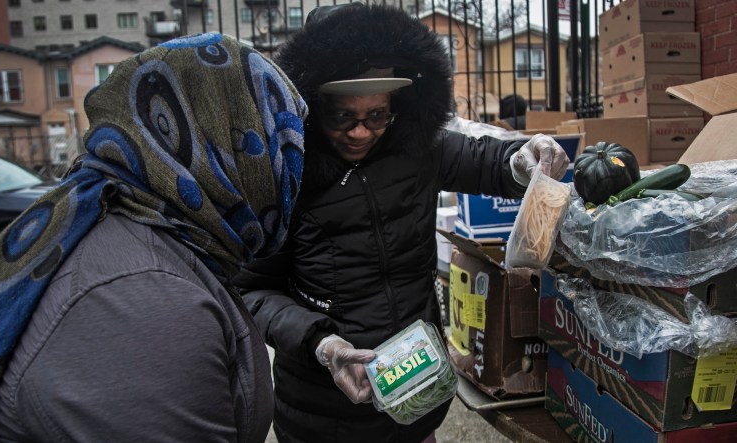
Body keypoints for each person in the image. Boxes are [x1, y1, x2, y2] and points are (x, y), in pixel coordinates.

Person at [233, 3, 569, 443]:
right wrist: (324, 345)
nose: (360, 132)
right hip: (323, 411)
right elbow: (252, 291)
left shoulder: (417, 146)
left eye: (377, 115)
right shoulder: (284, 177)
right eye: (341, 117)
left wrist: (523, 158)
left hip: (417, 393)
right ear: (312, 105)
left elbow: (485, 160)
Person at [0, 32, 306, 443]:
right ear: (234, 148)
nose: (294, 171)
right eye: (284, 143)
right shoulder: (149, 300)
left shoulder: (152, 230)